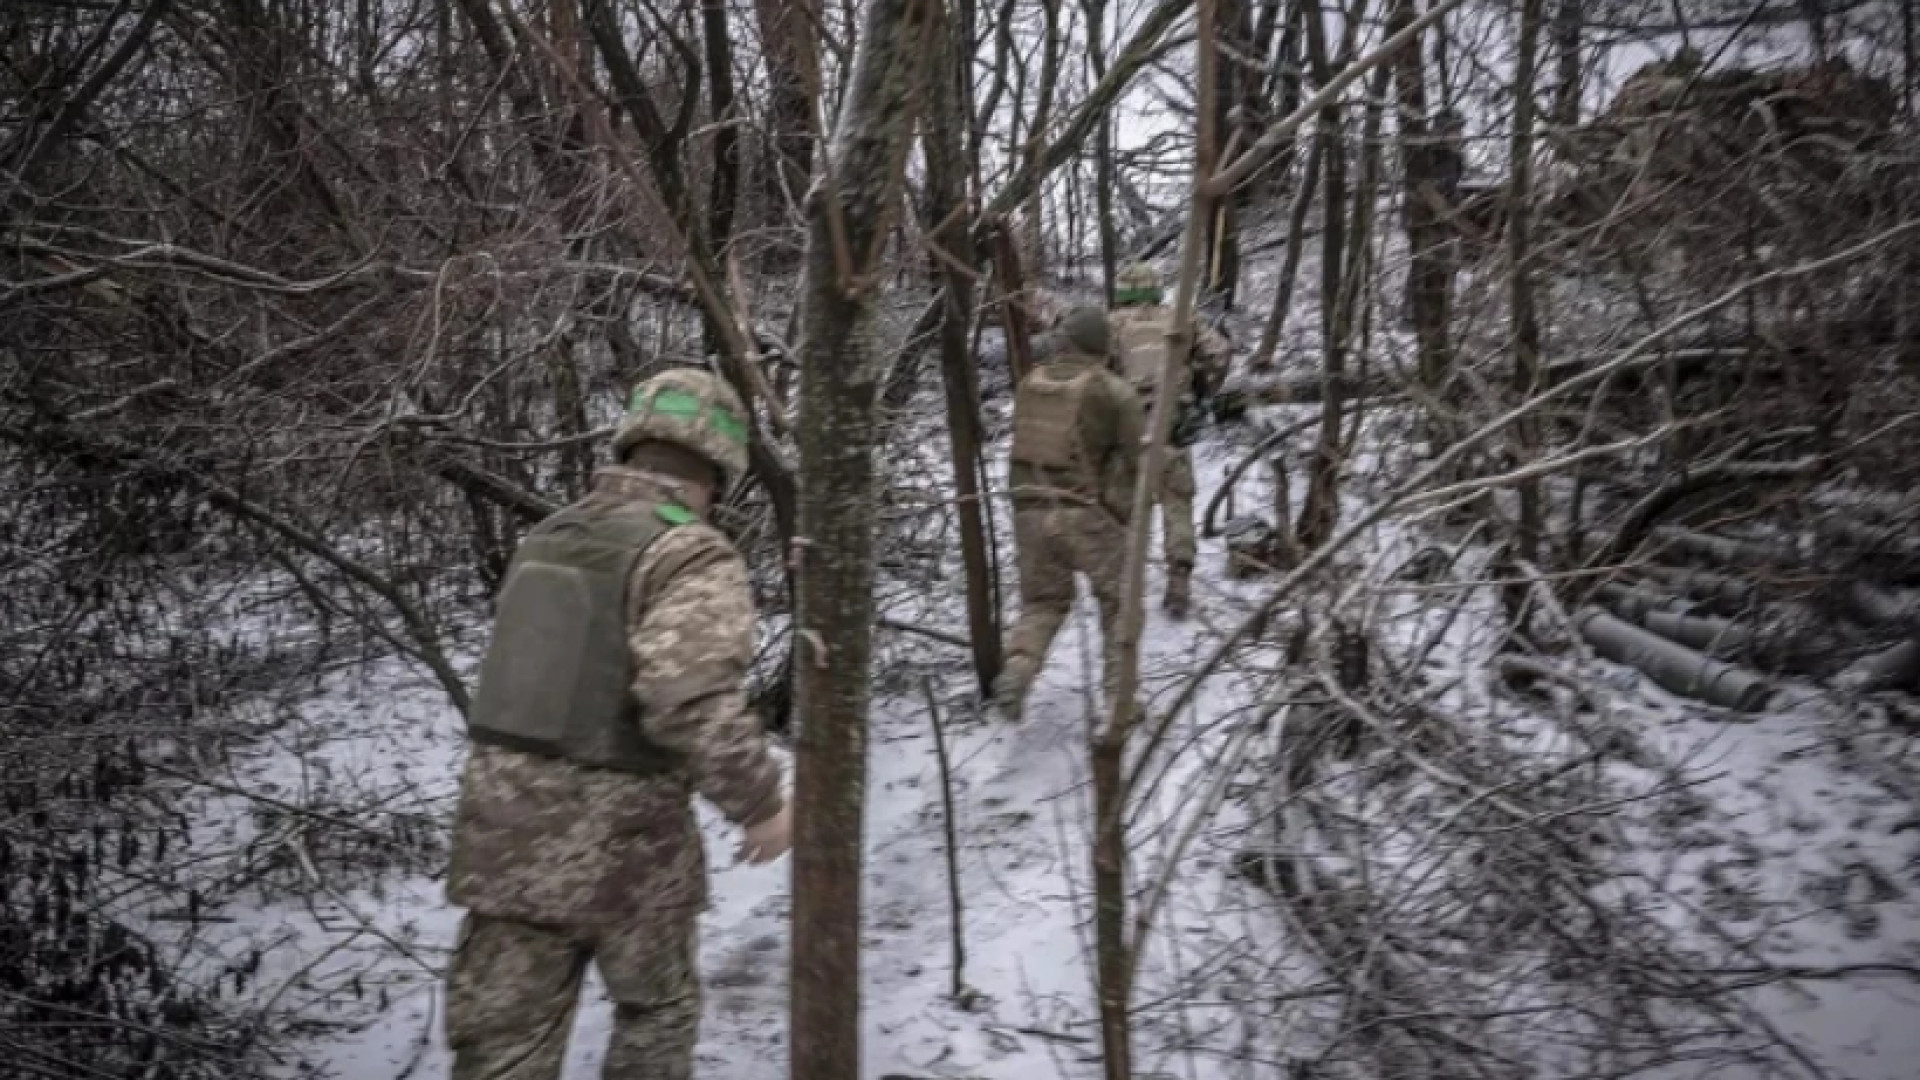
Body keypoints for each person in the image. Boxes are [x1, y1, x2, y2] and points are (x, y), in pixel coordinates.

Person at [442, 367, 791, 1080]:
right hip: (627, 859)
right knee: (655, 1015)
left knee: (503, 1052)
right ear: (719, 469)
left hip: (504, 848)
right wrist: (761, 803)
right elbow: (683, 696)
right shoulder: (691, 552)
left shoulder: (548, 537)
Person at [991, 305, 1146, 722]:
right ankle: (1119, 698)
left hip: (1028, 513)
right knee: (1120, 600)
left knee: (1042, 604)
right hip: (1085, 515)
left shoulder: (1030, 384)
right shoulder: (1114, 390)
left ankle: (1019, 670)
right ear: (1103, 344)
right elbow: (1139, 458)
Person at [1107, 262, 1231, 618]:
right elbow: (1219, 353)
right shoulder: (1181, 317)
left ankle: (1119, 581)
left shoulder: (1112, 324)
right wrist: (1204, 390)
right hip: (1173, 419)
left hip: (1128, 421)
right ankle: (1179, 578)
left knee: (1121, 502)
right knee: (1177, 499)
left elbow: (1095, 371)